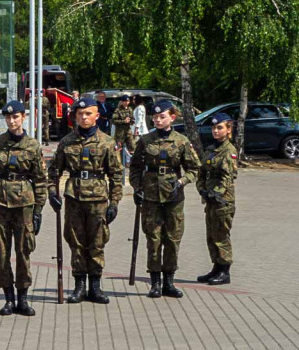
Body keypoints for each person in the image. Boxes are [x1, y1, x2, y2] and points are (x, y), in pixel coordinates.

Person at [47, 96, 123, 303]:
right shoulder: (66, 141)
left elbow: (117, 174)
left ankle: (95, 286)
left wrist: (115, 202)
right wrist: (52, 192)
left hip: (98, 199)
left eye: (88, 113)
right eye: (80, 114)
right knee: (76, 241)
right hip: (74, 198)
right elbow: (54, 170)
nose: (84, 117)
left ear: (97, 116)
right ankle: (79, 285)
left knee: (97, 242)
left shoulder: (107, 142)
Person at [0, 100, 47, 316]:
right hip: (0, 202)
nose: (11, 121)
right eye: (8, 117)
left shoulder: (33, 145)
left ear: (23, 117)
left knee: (23, 250)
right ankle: (8, 298)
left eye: (15, 117)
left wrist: (38, 210)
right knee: (1, 251)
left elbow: (40, 179)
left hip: (24, 204)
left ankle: (23, 298)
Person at [129, 100, 200, 299]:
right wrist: (137, 187)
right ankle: (155, 282)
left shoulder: (181, 141)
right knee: (153, 239)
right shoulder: (145, 140)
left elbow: (195, 168)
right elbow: (134, 167)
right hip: (151, 196)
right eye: (155, 117)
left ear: (172, 117)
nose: (158, 120)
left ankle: (169, 280)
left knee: (172, 239)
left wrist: (183, 180)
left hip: (173, 196)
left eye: (162, 117)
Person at [196, 112, 238, 286]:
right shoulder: (211, 149)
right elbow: (202, 173)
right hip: (211, 199)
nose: (215, 131)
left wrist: (216, 193)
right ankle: (216, 267)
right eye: (214, 128)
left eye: (219, 127)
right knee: (211, 235)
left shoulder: (229, 150)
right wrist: (202, 190)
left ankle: (224, 271)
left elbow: (228, 177)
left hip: (222, 201)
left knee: (221, 235)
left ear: (228, 130)